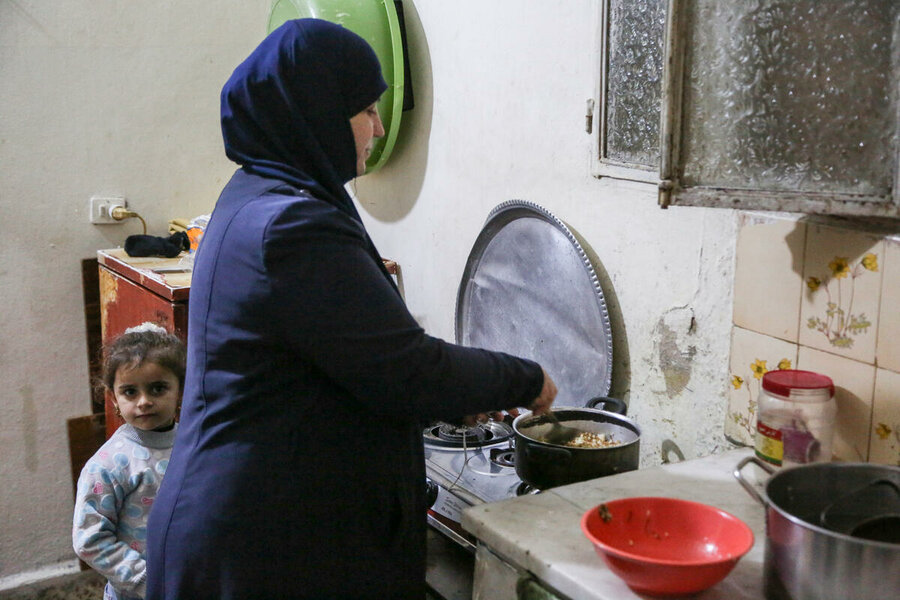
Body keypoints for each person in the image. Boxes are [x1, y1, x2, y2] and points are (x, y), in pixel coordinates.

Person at [145, 18, 557, 600]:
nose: (380, 127)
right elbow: (408, 371)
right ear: (313, 111)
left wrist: (454, 396)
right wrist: (524, 377)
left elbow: (332, 360)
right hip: (262, 544)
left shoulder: (261, 190)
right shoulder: (290, 224)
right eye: (367, 110)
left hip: (259, 519)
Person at [73, 323, 185, 600]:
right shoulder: (108, 465)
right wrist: (146, 581)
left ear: (181, 390)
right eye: (130, 392)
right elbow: (90, 539)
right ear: (113, 398)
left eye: (158, 389)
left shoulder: (193, 443)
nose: (144, 401)